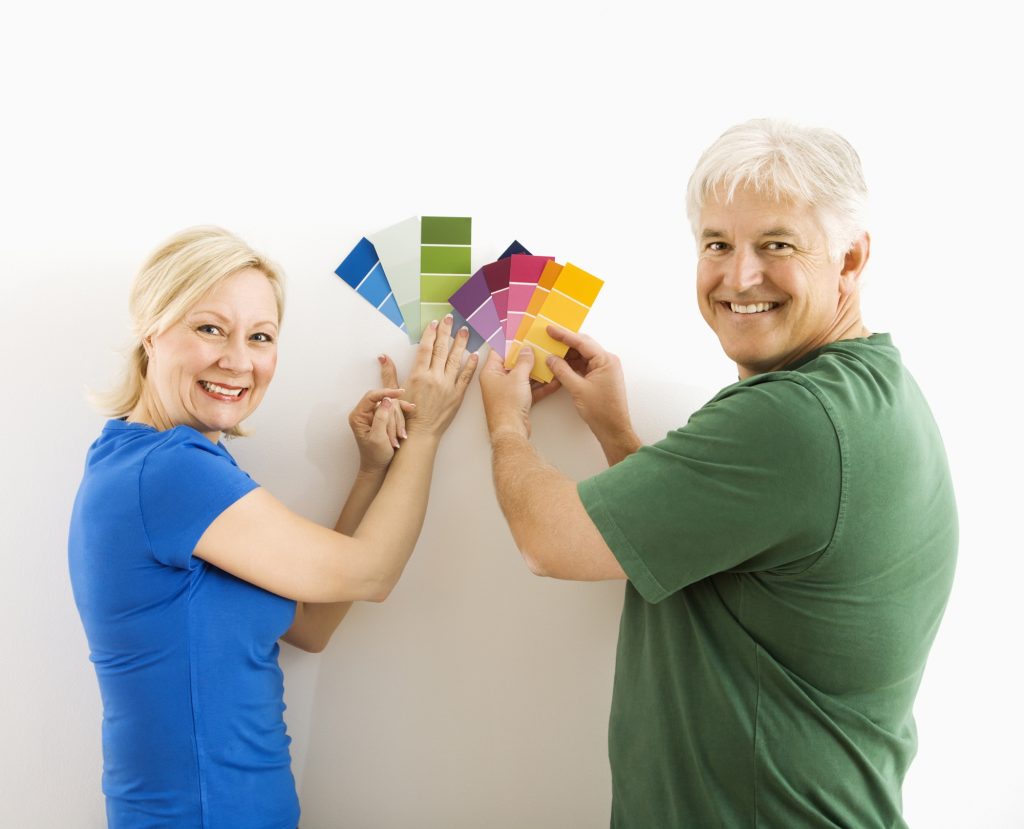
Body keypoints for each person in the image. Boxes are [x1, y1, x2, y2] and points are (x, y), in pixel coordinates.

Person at [479, 119, 957, 827]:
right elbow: (710, 550)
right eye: (718, 245)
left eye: (777, 244)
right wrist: (615, 430)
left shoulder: (794, 421)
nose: (740, 277)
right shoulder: (871, 391)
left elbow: (548, 540)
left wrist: (505, 422)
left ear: (851, 259)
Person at [68, 226, 477, 828]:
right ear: (152, 332)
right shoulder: (170, 472)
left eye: (260, 336)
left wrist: (369, 473)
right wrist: (430, 431)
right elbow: (372, 573)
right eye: (210, 328)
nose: (237, 360)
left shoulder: (159, 463)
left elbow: (310, 624)